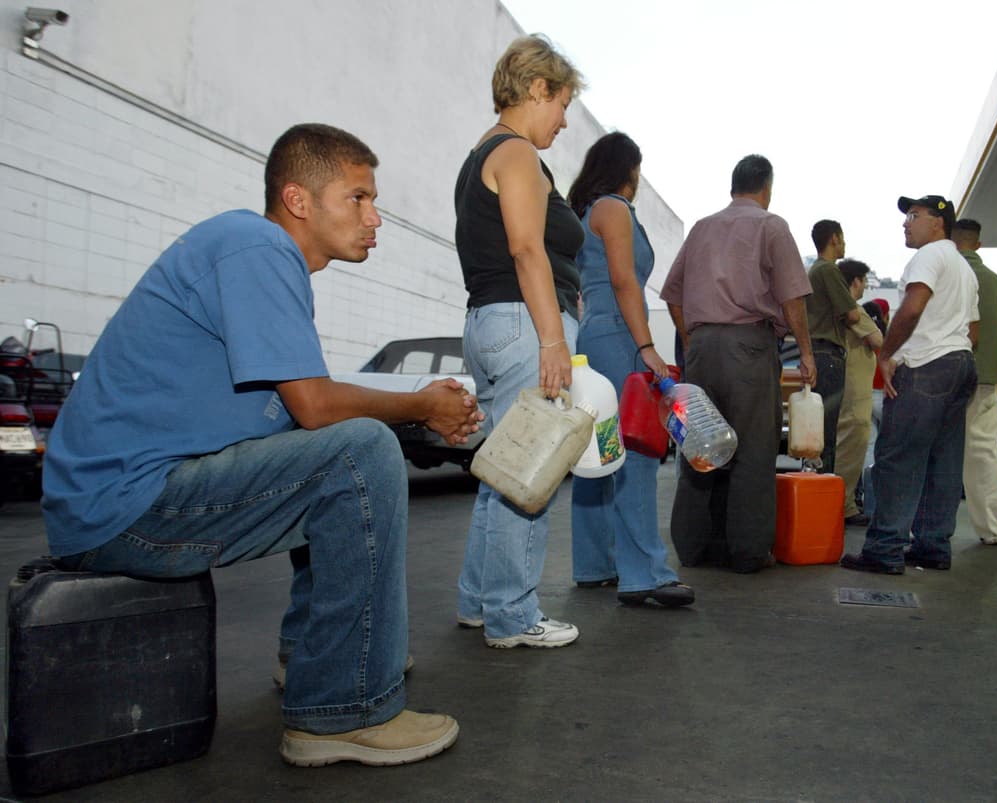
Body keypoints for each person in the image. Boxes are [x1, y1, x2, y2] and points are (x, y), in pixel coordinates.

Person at [40, 123, 481, 767]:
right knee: (359, 452)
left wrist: (420, 410)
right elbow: (315, 403)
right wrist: (422, 407)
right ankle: (340, 711)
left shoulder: (260, 261)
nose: (375, 217)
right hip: (123, 507)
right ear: (298, 200)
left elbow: (303, 417)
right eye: (358, 198)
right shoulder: (256, 246)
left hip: (120, 503)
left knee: (331, 450)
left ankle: (316, 655)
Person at [454, 35, 586, 648]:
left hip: (490, 321)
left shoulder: (483, 153)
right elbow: (527, 248)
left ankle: (480, 601)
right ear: (538, 89)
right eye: (562, 104)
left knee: (503, 470)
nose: (563, 120)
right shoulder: (516, 155)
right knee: (531, 470)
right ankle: (512, 614)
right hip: (525, 324)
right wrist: (554, 339)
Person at [659, 154, 816, 573]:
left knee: (702, 445)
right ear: (766, 187)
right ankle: (746, 552)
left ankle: (694, 548)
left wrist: (693, 339)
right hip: (750, 347)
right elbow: (791, 298)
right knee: (751, 449)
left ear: (733, 186)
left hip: (703, 348)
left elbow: (672, 293)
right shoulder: (771, 225)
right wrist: (805, 350)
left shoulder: (703, 227)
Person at [565, 132, 693, 608]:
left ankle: (596, 564)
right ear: (630, 169)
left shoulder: (586, 211)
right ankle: (645, 575)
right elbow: (624, 281)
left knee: (598, 451)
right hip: (619, 335)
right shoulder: (614, 208)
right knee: (635, 453)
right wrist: (647, 345)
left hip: (594, 335)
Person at [841, 194, 978, 575]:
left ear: (938, 222)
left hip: (927, 365)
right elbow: (975, 331)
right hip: (960, 362)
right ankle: (933, 547)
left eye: (914, 215)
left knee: (897, 459)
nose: (906, 223)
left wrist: (886, 354)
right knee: (943, 463)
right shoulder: (963, 268)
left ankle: (884, 549)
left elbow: (913, 307)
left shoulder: (930, 255)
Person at [952, 218, 997, 545]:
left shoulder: (950, 274)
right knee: (985, 451)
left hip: (950, 372)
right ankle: (993, 529)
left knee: (938, 451)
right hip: (986, 374)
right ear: (978, 244)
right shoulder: (993, 279)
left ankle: (927, 529)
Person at [803, 221, 858, 473]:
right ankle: (824, 494)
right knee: (827, 432)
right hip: (829, 355)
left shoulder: (814, 271)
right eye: (843, 237)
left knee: (815, 431)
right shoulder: (829, 271)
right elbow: (853, 314)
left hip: (817, 354)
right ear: (834, 238)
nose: (844, 243)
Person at [834, 261, 882, 525]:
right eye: (863, 280)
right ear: (855, 282)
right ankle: (842, 505)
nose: (864, 286)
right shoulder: (853, 311)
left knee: (849, 444)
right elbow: (878, 341)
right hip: (855, 389)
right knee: (853, 443)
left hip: (849, 387)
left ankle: (846, 504)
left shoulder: (836, 309)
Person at [851, 297, 890, 522]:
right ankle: (883, 506)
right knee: (887, 451)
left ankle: (868, 505)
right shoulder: (887, 338)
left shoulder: (860, 337)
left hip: (865, 396)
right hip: (885, 397)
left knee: (869, 451)